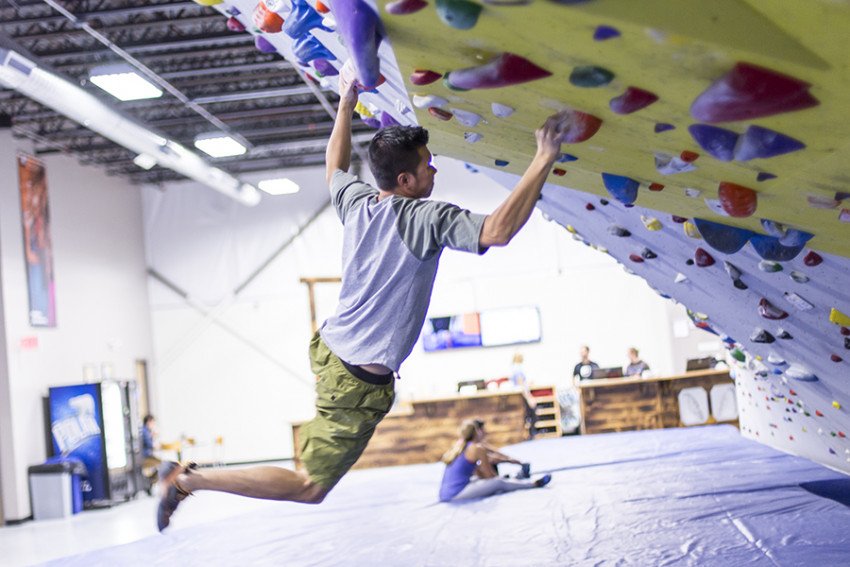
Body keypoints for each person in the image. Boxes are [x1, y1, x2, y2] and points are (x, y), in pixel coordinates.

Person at [155, 67, 573, 531]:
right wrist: (543, 157)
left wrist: (346, 100)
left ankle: (189, 481)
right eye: (427, 164)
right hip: (355, 380)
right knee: (309, 486)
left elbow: (334, 168)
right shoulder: (425, 218)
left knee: (309, 476)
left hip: (333, 352)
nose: (434, 168)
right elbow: (496, 231)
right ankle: (187, 482)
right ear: (406, 179)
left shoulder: (359, 202)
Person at [439, 419, 551, 502]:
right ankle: (533, 484)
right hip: (455, 494)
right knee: (498, 483)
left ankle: (514, 481)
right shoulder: (477, 448)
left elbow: (474, 471)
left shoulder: (459, 447)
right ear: (476, 432)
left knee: (488, 479)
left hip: (445, 493)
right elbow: (490, 477)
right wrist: (502, 478)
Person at [141, 415, 162, 494]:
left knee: (160, 464)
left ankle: (150, 481)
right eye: (153, 422)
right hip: (146, 457)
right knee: (163, 465)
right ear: (149, 421)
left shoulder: (145, 431)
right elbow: (151, 445)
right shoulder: (145, 431)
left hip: (145, 456)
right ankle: (150, 482)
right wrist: (153, 436)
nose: (153, 424)